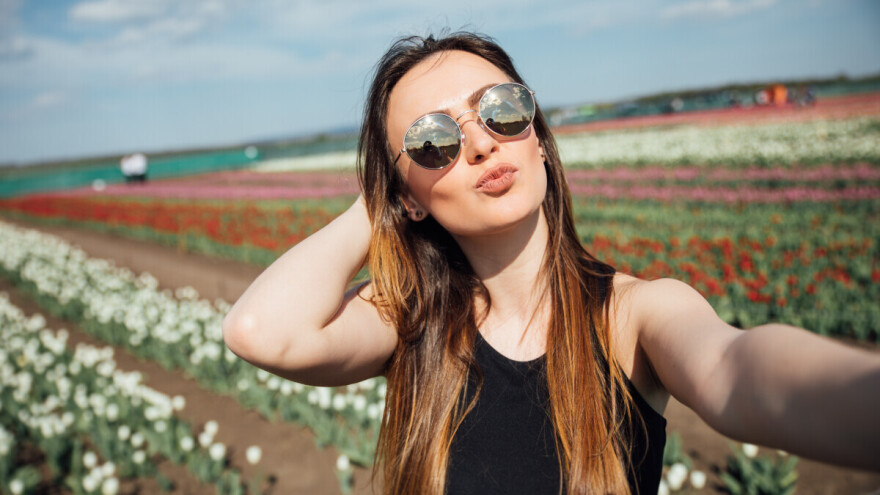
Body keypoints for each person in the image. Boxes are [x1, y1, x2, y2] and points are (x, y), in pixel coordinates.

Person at [222, 32, 880, 494]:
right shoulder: (412, 320)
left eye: (502, 108)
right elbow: (260, 330)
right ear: (406, 196)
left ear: (537, 133)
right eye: (434, 138)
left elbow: (739, 371)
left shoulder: (635, 316)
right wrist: (386, 200)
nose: (480, 141)